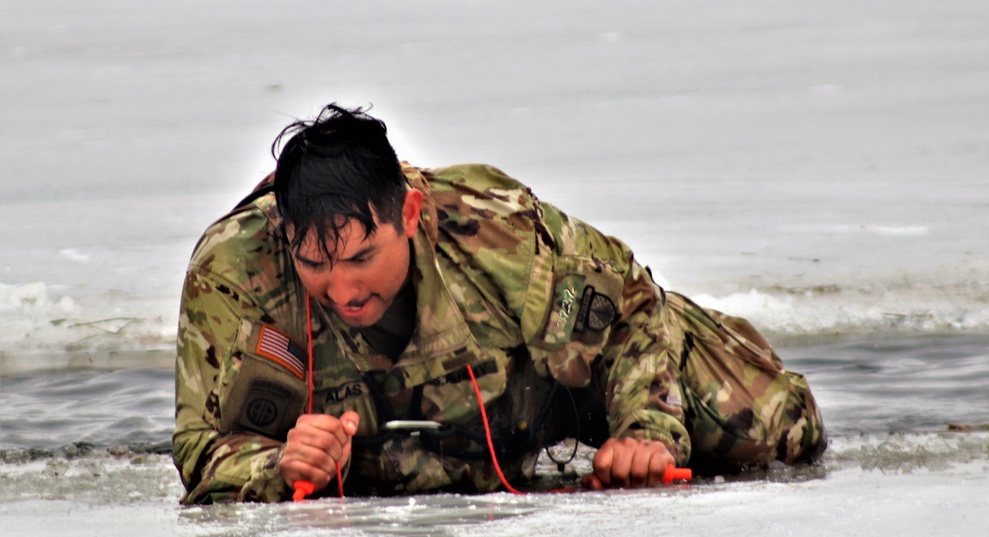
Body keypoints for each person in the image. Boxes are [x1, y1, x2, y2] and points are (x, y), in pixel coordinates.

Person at [172, 103, 826, 504]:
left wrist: (646, 434)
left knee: (776, 431)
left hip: (552, 382)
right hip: (431, 448)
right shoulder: (232, 274)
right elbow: (202, 447)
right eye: (315, 264)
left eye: (361, 258)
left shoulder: (494, 229)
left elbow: (623, 303)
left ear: (409, 212)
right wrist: (275, 465)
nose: (342, 289)